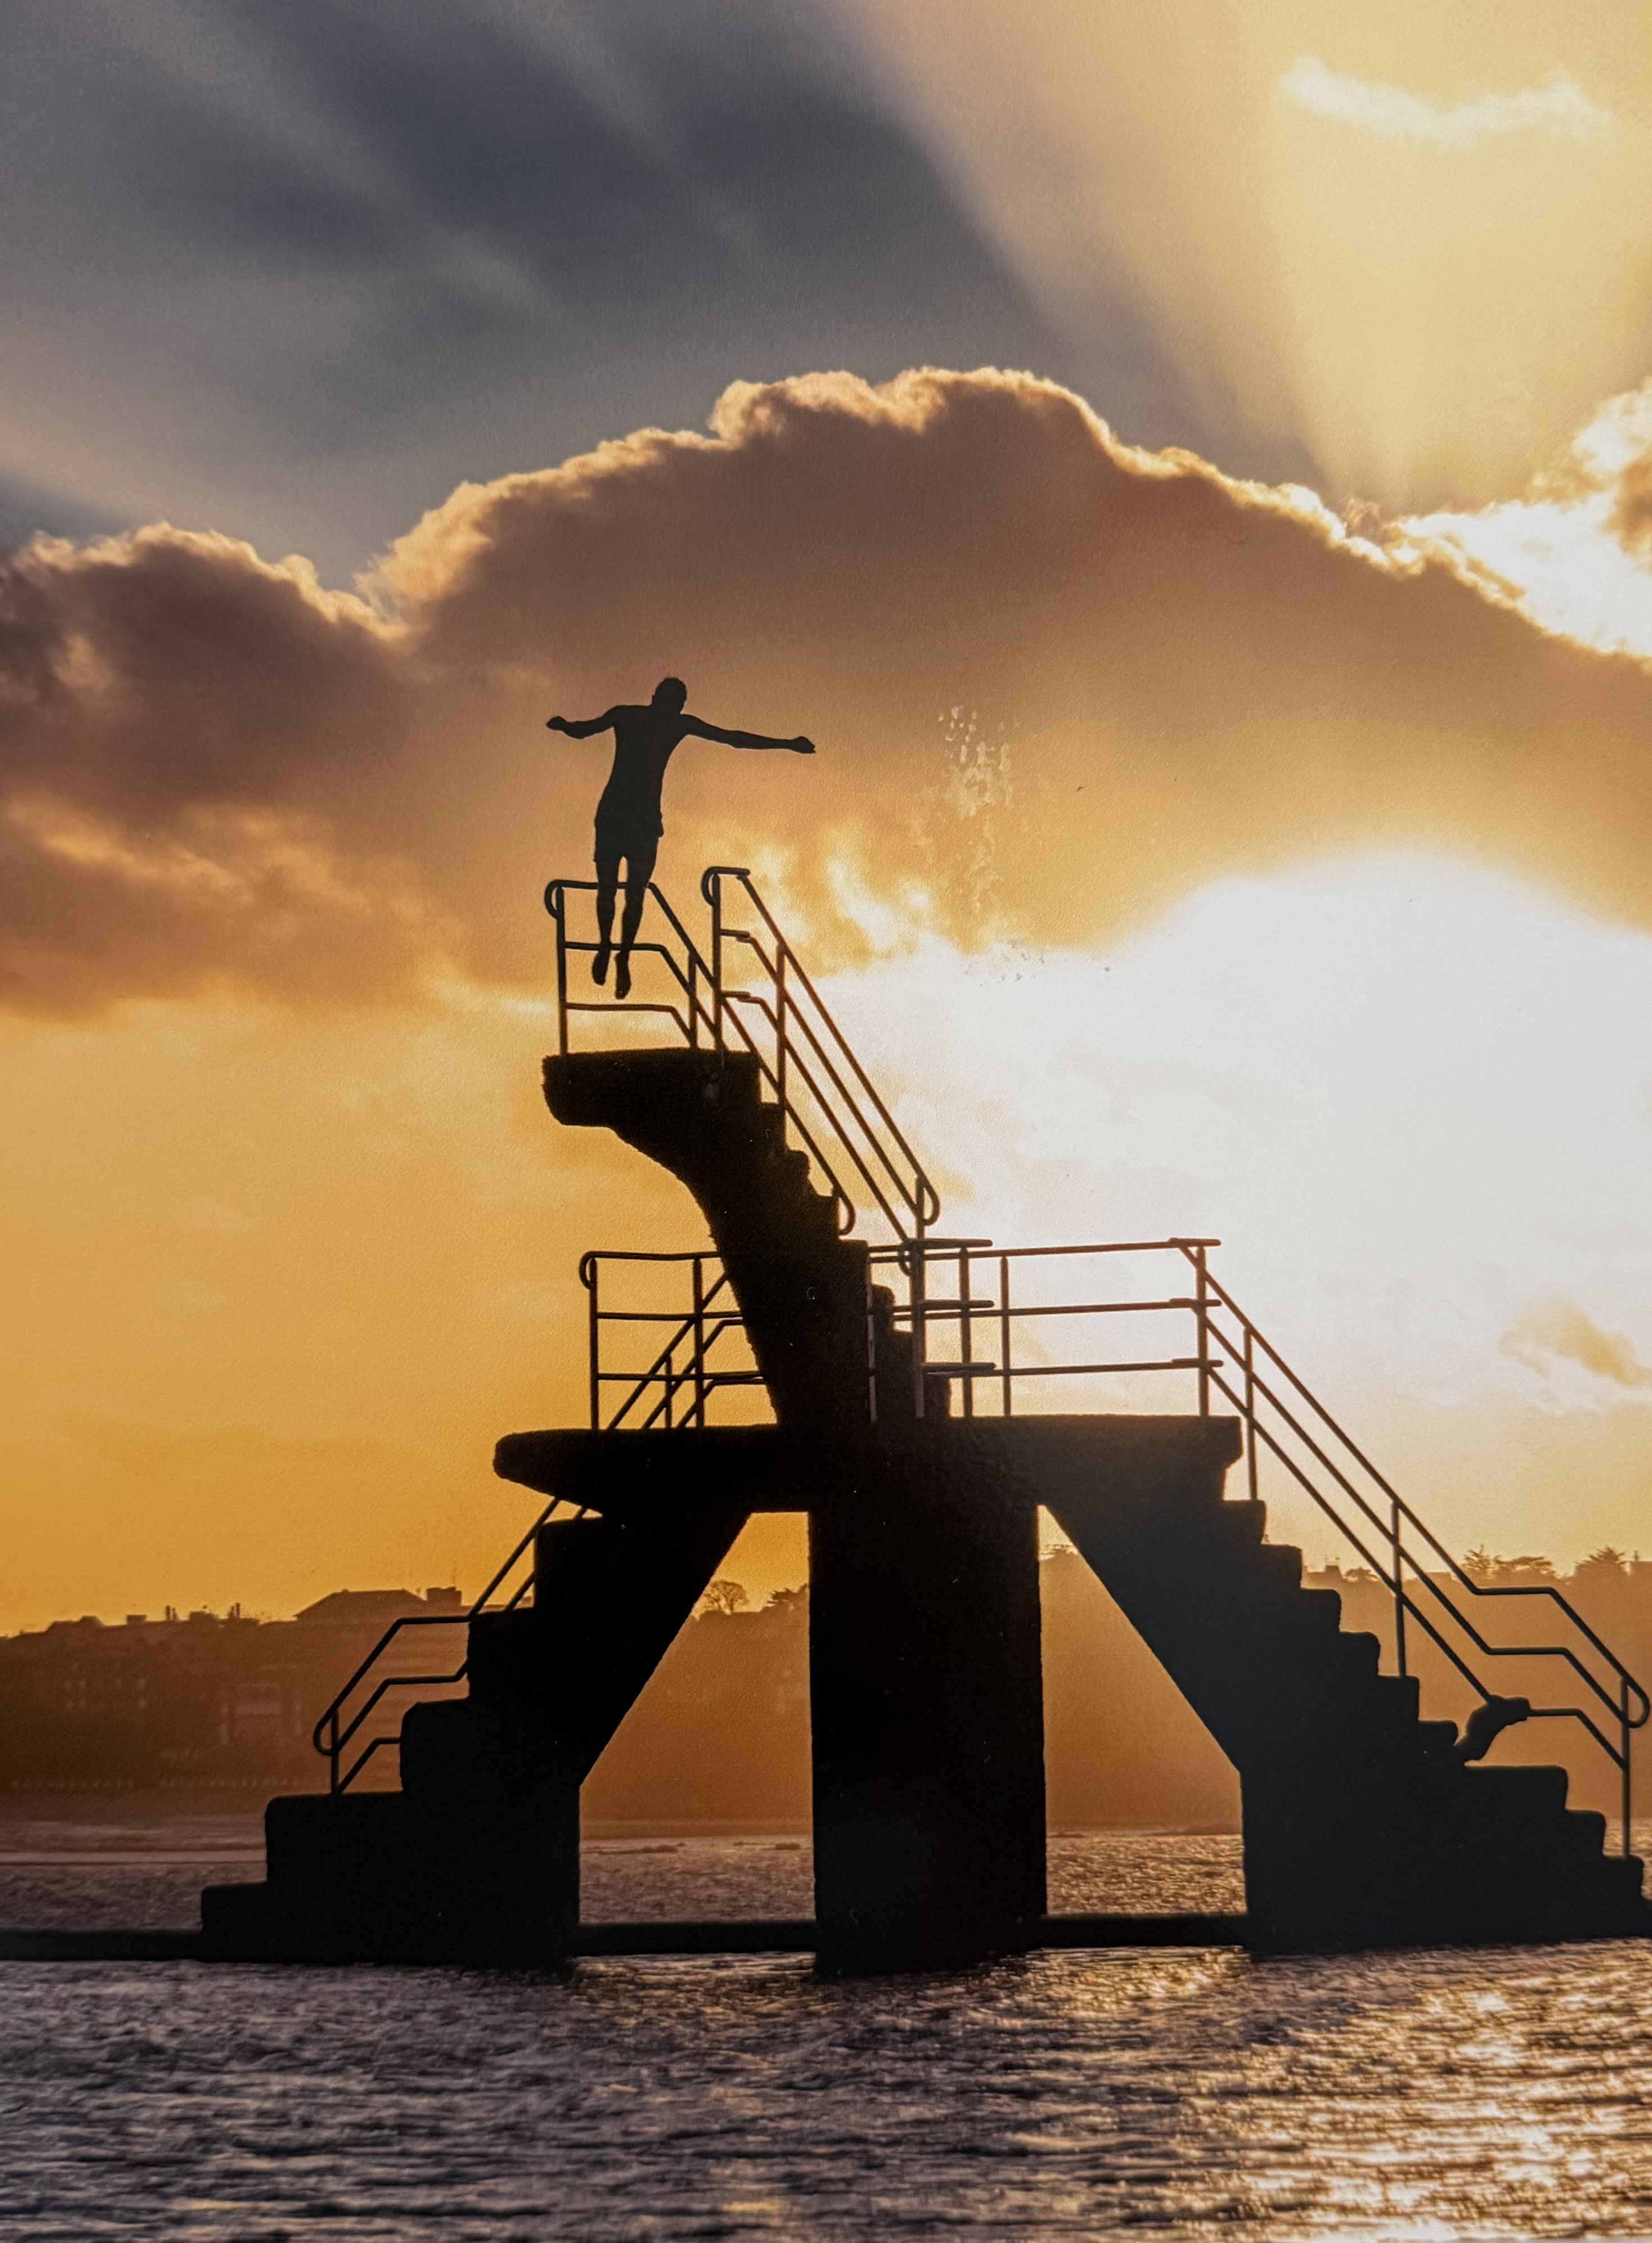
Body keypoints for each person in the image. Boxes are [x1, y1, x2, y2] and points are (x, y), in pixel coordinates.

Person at [547, 678, 814, 996]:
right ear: (656, 698)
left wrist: (785, 744)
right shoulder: (629, 716)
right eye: (673, 699)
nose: (675, 706)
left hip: (642, 823)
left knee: (633, 895)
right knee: (610, 892)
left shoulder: (671, 723)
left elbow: (733, 739)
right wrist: (564, 726)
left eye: (678, 701)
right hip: (617, 818)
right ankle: (607, 947)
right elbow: (584, 729)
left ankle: (623, 956)